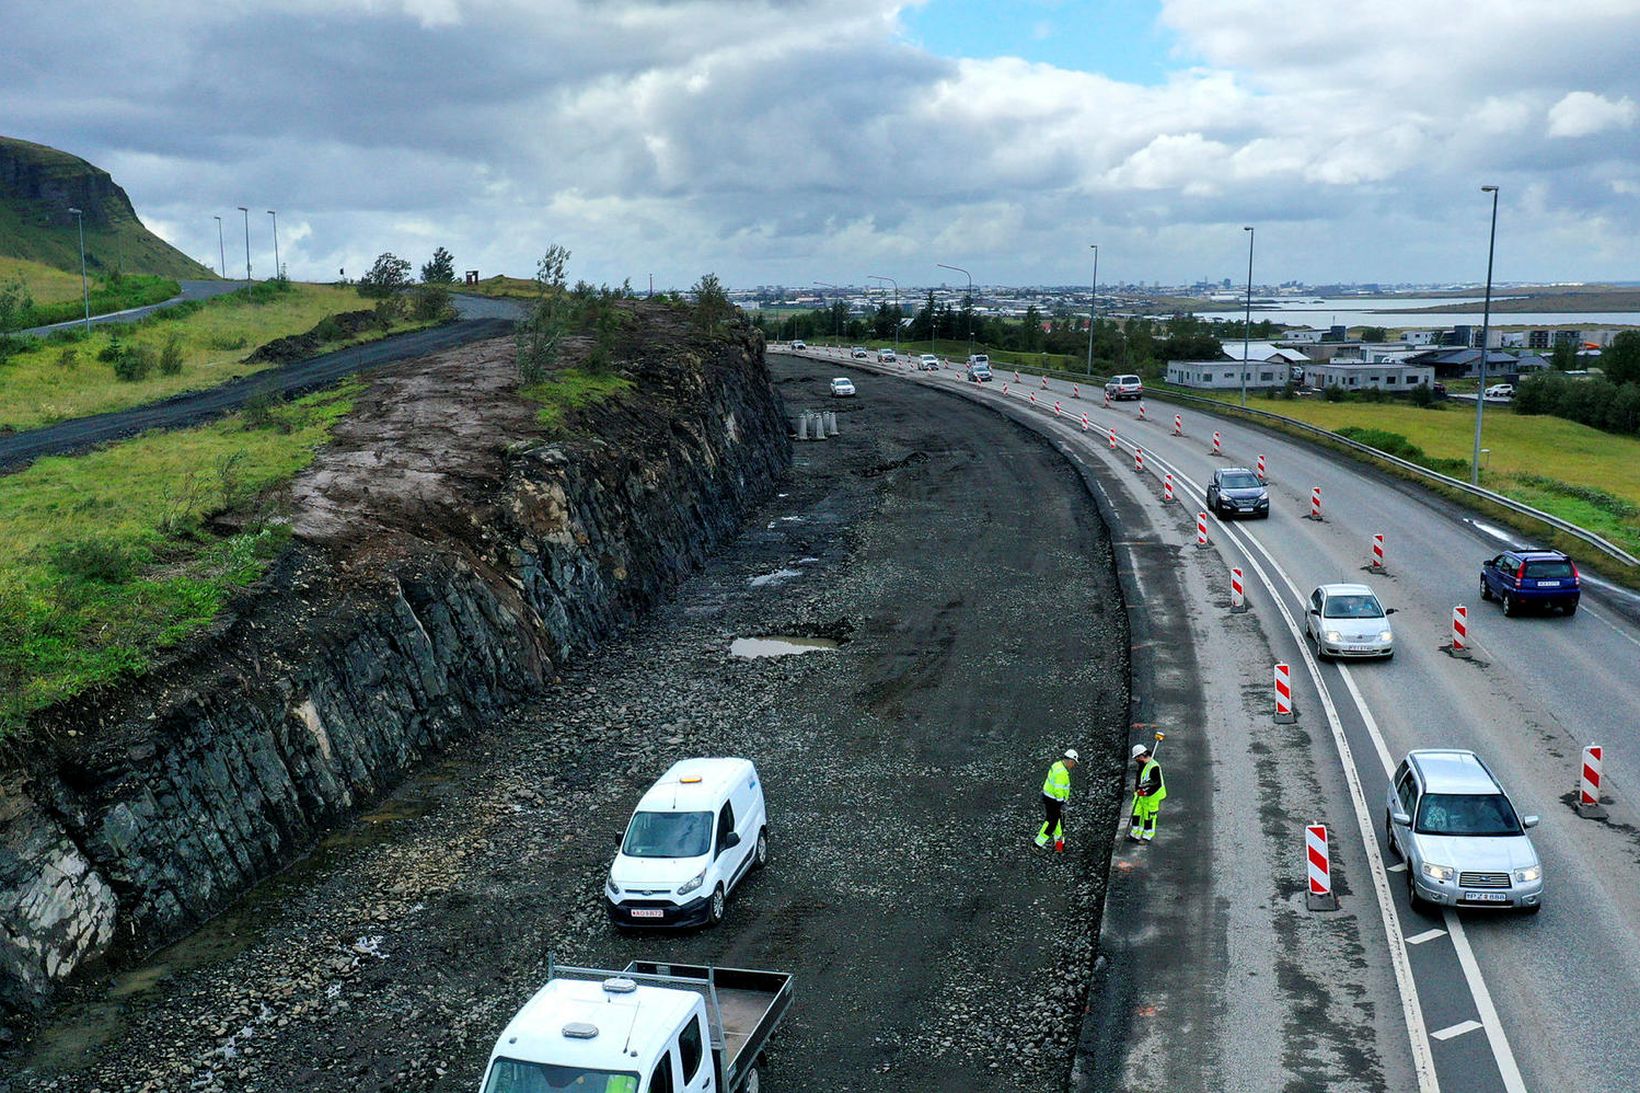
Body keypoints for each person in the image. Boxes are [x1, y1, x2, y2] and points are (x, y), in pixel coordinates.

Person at [1036, 749, 1078, 850]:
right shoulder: (1062, 773)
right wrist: (1061, 803)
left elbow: (1050, 781)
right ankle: (1037, 844)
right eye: (1074, 764)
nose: (1073, 766)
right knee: (1052, 823)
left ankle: (1059, 846)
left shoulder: (1056, 765)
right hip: (1054, 801)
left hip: (1048, 797)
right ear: (1070, 761)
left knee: (1057, 822)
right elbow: (1058, 789)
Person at [1128, 743, 1166, 842]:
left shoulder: (1154, 767)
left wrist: (1146, 793)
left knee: (1148, 816)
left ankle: (1147, 836)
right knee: (1137, 813)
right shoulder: (1143, 765)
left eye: (1137, 758)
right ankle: (1135, 834)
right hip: (1141, 795)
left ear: (1141, 756)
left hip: (1152, 797)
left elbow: (1156, 784)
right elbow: (1139, 778)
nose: (1136, 760)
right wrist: (1138, 790)